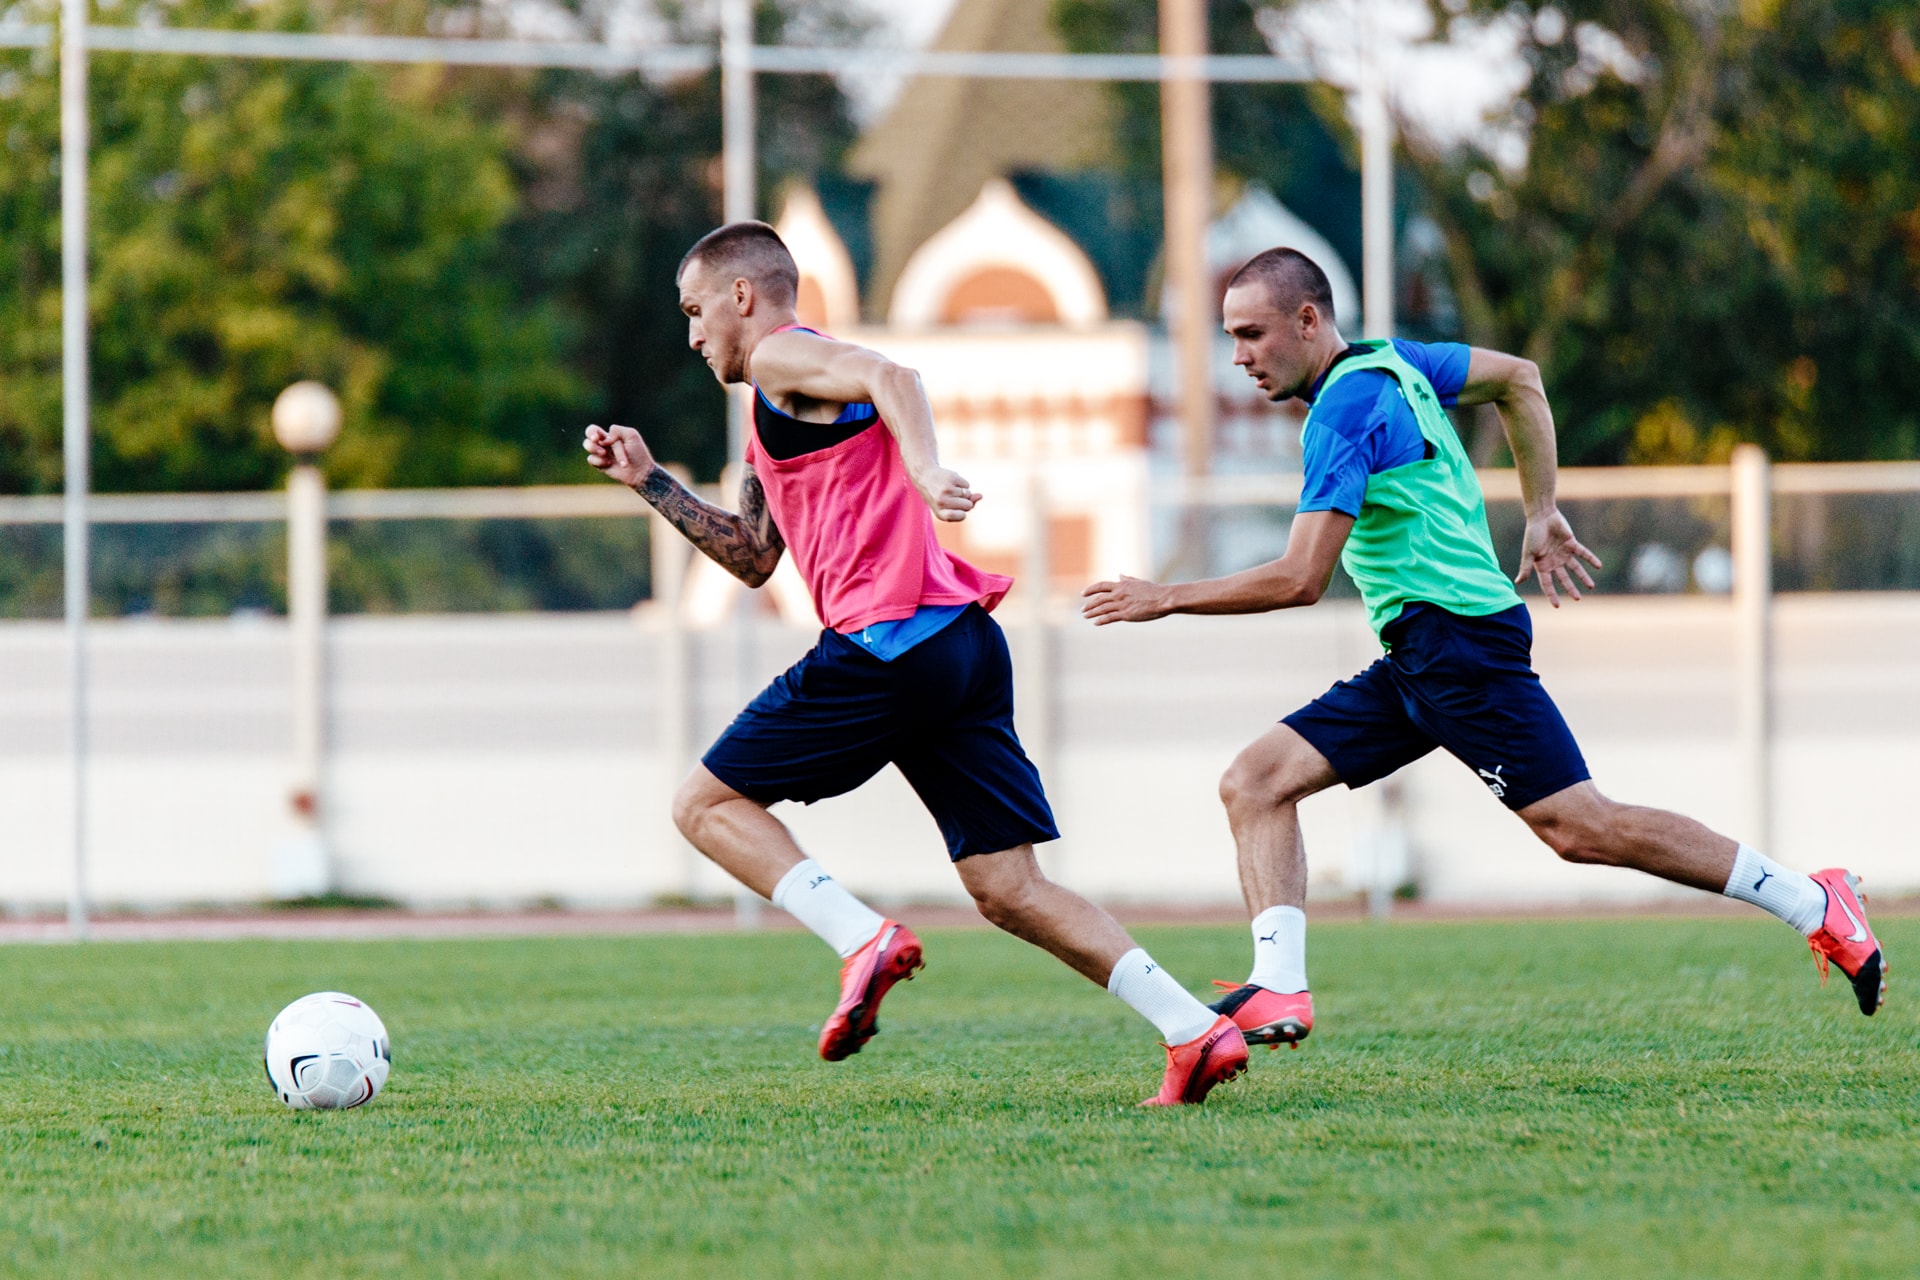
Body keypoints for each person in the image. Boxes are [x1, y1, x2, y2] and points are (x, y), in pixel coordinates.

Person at [1081, 246, 1887, 1053]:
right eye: (1231, 338)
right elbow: (1520, 378)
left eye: (1252, 334)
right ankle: (1279, 988)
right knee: (1255, 783)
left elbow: (1300, 577)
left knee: (1582, 827)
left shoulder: (1341, 413)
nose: (1239, 358)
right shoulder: (1395, 361)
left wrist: (1168, 596)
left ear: (1307, 319)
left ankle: (1813, 903)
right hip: (1422, 649)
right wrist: (1541, 510)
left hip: (1457, 643)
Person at [585, 221, 1248, 1105]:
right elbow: (752, 556)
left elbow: (895, 376)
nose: (693, 333)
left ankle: (862, 941)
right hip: (961, 643)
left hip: (887, 644)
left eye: (696, 310)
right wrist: (651, 481)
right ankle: (1194, 1030)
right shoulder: (774, 409)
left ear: (743, 296)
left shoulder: (784, 356)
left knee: (703, 803)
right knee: (1008, 887)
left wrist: (929, 471)